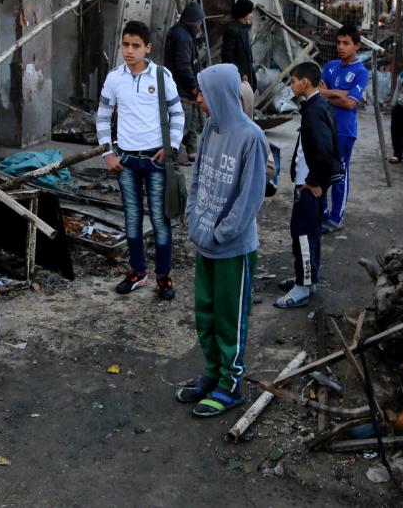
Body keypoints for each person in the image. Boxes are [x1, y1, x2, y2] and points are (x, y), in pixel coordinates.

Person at [176, 63, 269, 417]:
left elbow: (249, 200)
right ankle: (213, 373)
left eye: (202, 92)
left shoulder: (251, 138)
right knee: (206, 314)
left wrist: (219, 233)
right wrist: (194, 221)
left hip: (233, 248)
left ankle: (232, 384)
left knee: (230, 317)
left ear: (219, 93)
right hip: (205, 242)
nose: (198, 99)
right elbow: (198, 178)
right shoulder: (211, 131)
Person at [97, 21, 184, 300]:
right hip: (126, 161)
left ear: (147, 48)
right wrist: (107, 153)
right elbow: (102, 115)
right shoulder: (114, 78)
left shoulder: (161, 76)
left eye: (136, 46)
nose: (129, 51)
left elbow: (178, 114)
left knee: (160, 220)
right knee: (132, 219)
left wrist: (171, 146)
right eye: (125, 45)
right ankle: (138, 273)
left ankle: (163, 277)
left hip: (157, 159)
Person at [275, 62, 343, 309]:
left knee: (302, 234)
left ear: (305, 82)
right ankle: (307, 278)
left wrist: (314, 181)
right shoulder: (317, 106)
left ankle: (302, 287)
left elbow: (324, 152)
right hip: (309, 181)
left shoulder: (314, 111)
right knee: (309, 233)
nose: (292, 85)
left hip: (308, 185)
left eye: (293, 81)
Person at [318, 24, 369, 231]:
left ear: (356, 46)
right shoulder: (330, 66)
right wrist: (338, 93)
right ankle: (321, 212)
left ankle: (336, 218)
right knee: (320, 171)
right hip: (324, 127)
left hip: (344, 131)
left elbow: (350, 103)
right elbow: (316, 93)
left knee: (339, 173)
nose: (341, 47)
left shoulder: (361, 72)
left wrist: (328, 93)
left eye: (346, 43)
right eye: (338, 42)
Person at [164, 1, 205, 163]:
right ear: (193, 21)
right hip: (181, 89)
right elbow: (182, 66)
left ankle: (191, 151)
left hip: (186, 89)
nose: (200, 25)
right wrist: (193, 85)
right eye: (199, 22)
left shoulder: (185, 34)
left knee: (192, 121)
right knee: (183, 123)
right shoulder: (182, 37)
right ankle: (175, 153)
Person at [221, 0, 257, 90]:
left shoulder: (244, 28)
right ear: (243, 13)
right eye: (249, 12)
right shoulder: (232, 30)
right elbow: (227, 57)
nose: (251, 15)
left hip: (245, 76)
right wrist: (240, 73)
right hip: (237, 79)